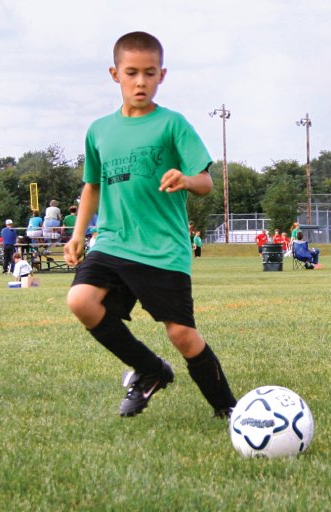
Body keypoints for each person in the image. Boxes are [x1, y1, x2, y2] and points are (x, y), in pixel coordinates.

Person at [63, 31, 236, 419]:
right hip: (112, 240)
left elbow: (206, 183)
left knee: (181, 334)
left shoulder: (173, 124)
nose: (140, 81)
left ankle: (228, 409)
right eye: (132, 73)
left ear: (162, 75)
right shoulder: (99, 130)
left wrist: (186, 179)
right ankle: (150, 369)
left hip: (162, 247)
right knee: (81, 300)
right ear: (115, 74)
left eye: (149, 73)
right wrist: (78, 235)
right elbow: (92, 186)